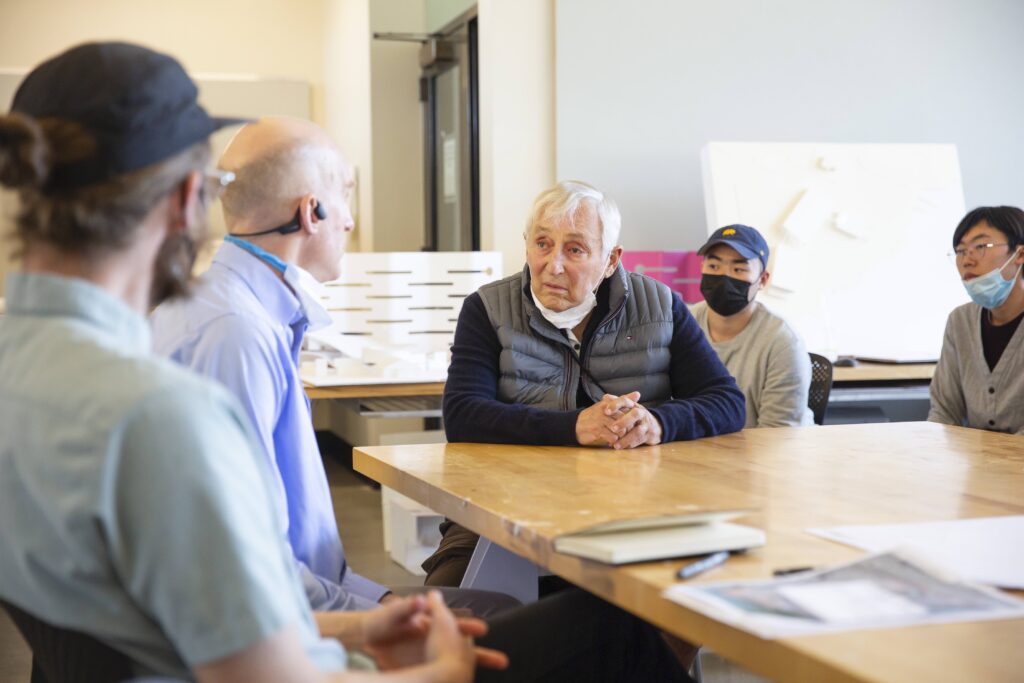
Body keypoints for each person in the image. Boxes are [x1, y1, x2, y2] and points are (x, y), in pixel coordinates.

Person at [0, 41, 495, 683]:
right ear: (186, 201)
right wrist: (445, 674)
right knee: (597, 636)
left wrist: (355, 623)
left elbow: (170, 614)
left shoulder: (25, 370)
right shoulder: (163, 415)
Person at [150, 115, 517, 618]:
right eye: (345, 194)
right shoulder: (235, 334)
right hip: (291, 632)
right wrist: (375, 616)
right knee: (586, 632)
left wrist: (377, 597)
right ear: (311, 212)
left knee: (502, 606)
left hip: (309, 602)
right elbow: (247, 569)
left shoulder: (235, 312)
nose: (350, 220)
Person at [423, 180, 746, 587]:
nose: (553, 265)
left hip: (633, 511)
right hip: (506, 504)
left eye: (574, 249)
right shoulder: (487, 308)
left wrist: (657, 422)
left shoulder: (660, 306)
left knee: (667, 612)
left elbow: (727, 402)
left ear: (611, 260)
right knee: (447, 608)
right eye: (542, 243)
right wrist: (575, 426)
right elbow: (463, 415)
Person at [689, 224, 814, 428]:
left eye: (739, 269)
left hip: (765, 453)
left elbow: (779, 436)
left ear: (762, 280)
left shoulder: (783, 342)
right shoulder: (683, 324)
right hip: (701, 450)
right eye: (714, 266)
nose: (724, 276)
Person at [929, 206, 1024, 434]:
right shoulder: (960, 321)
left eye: (980, 246)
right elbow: (944, 412)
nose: (966, 260)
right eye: (960, 251)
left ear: (1019, 254)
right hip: (977, 465)